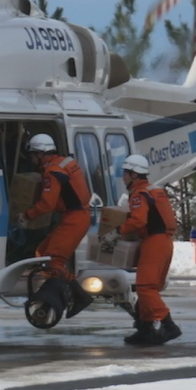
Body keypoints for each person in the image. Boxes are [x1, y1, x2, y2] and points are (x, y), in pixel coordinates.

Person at [103, 154, 182, 346]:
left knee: (145, 288)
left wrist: (116, 232)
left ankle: (168, 325)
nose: (123, 178)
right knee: (148, 287)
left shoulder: (139, 194)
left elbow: (139, 220)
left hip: (154, 242)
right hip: (164, 242)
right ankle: (145, 329)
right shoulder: (154, 190)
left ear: (133, 174)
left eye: (125, 174)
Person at [16, 134, 94, 316]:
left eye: (33, 155)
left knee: (53, 261)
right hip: (77, 217)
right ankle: (72, 295)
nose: (32, 159)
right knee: (43, 253)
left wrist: (27, 215)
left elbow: (47, 204)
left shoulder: (52, 171)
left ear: (41, 154)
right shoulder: (65, 163)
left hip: (74, 219)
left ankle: (77, 296)